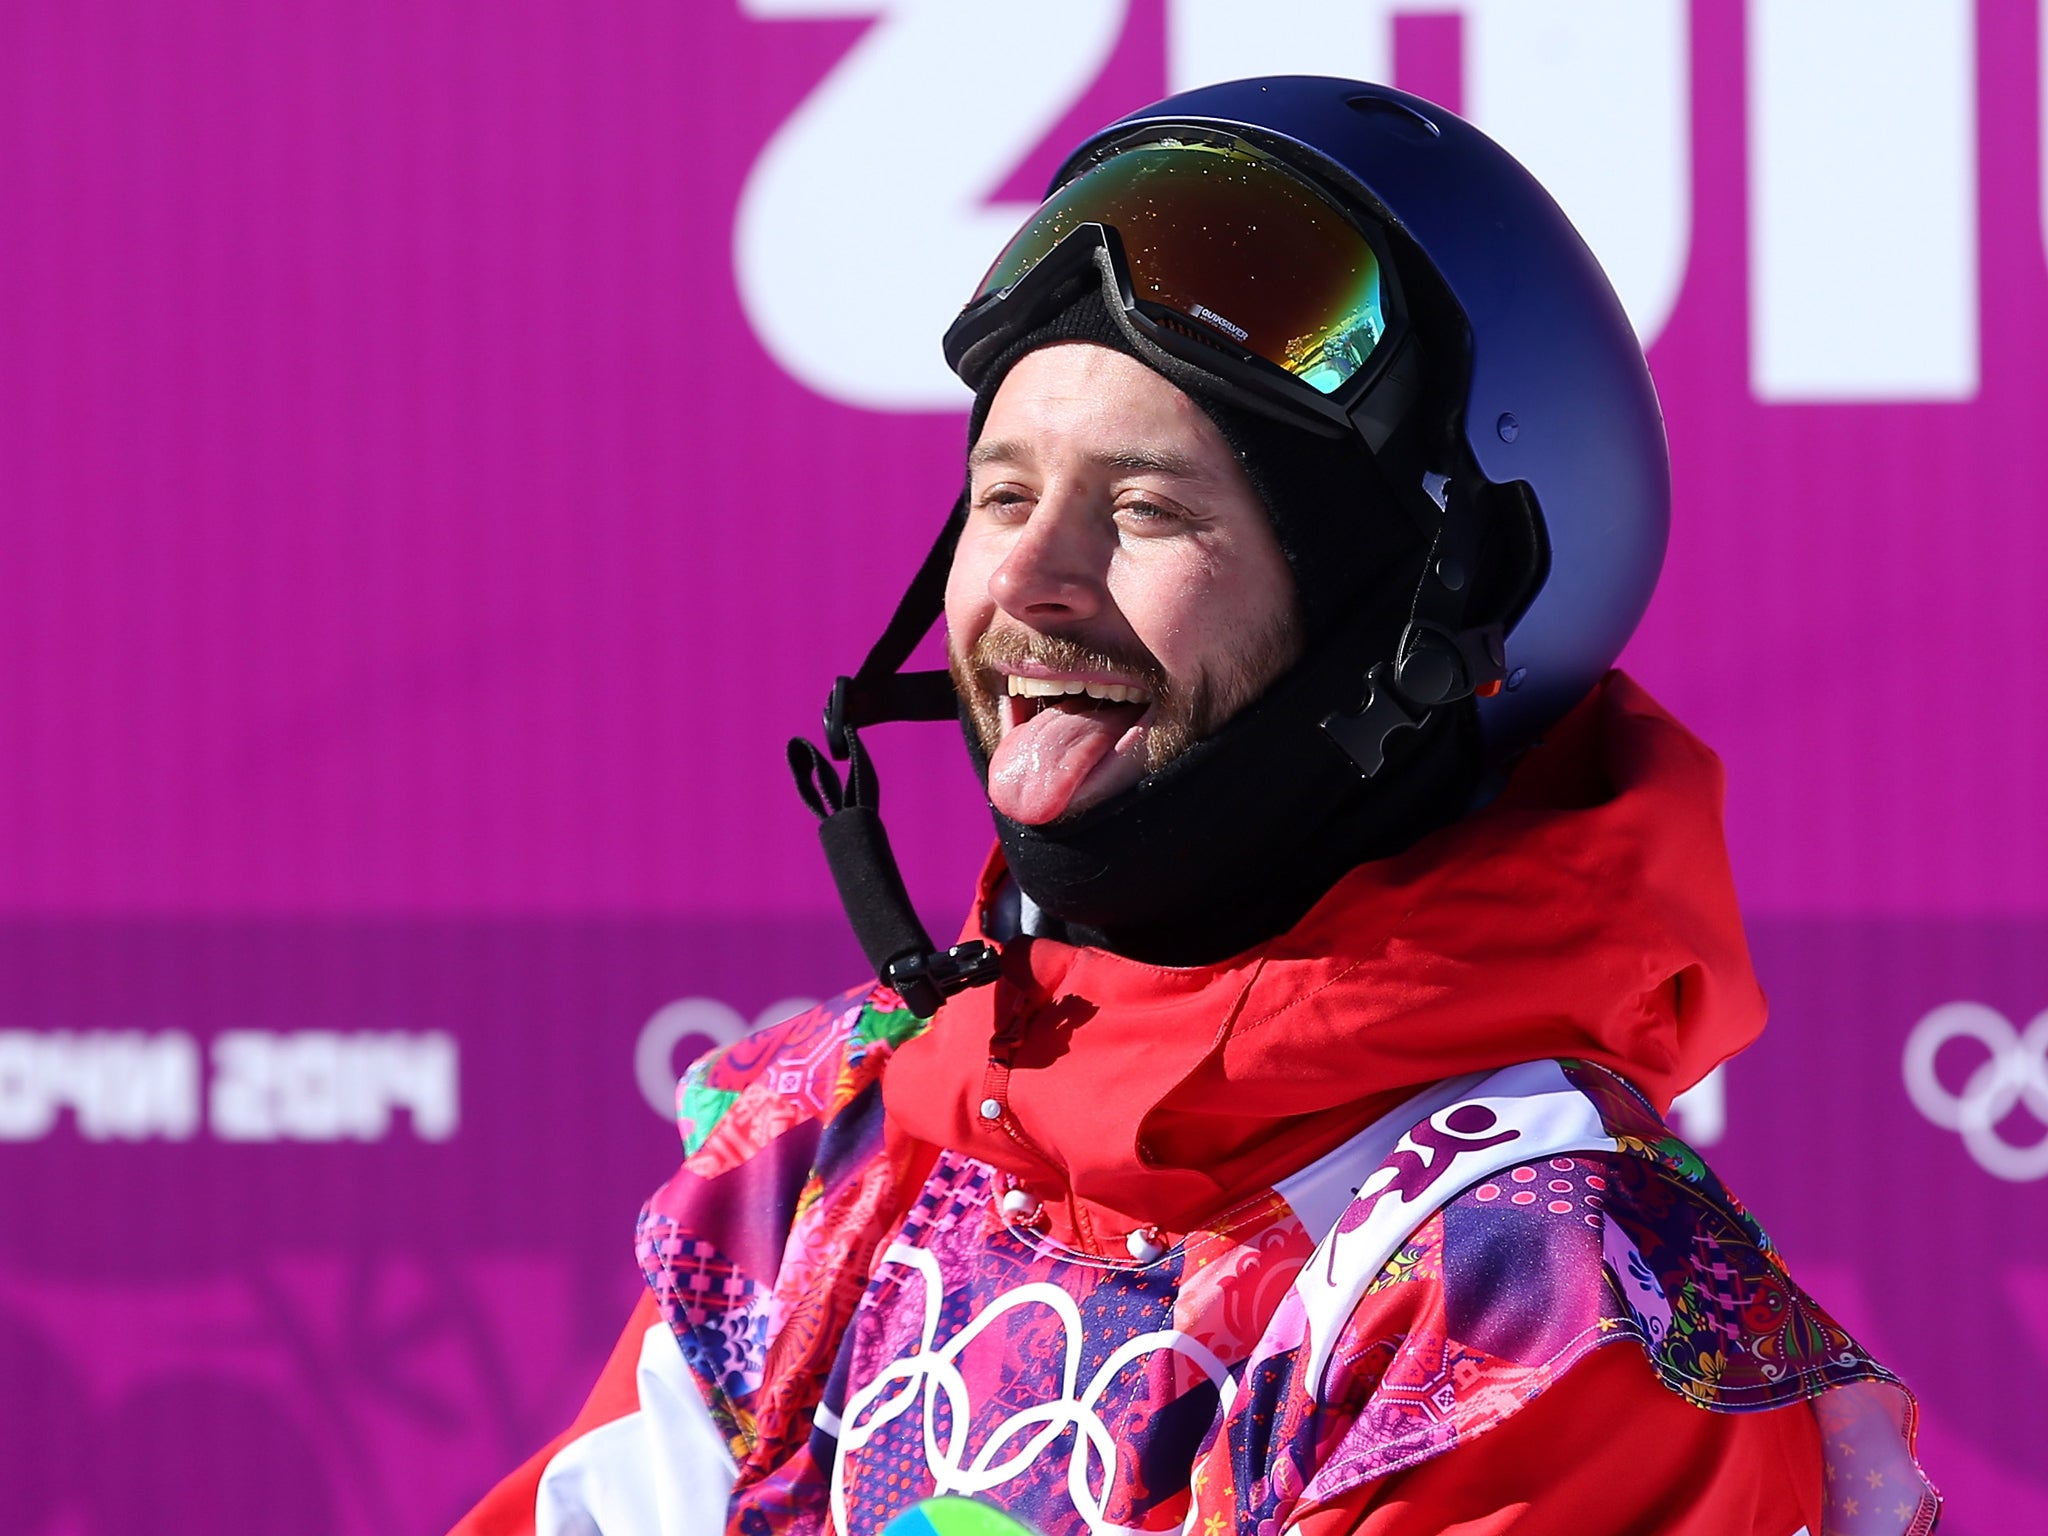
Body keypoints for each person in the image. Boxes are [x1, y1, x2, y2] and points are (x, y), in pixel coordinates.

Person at [456, 77, 1939, 1536]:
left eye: (1150, 509)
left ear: (1428, 616)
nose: (1028, 582)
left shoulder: (1534, 1300)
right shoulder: (833, 1150)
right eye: (1002, 492)